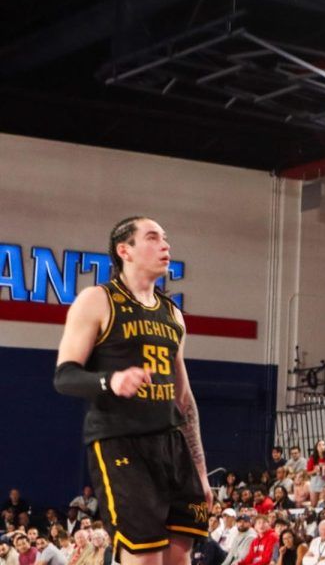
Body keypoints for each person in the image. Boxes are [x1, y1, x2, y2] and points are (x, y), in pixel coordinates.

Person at [52, 217, 211, 561]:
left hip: (172, 445)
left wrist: (200, 470)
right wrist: (111, 381)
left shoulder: (173, 314)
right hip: (121, 442)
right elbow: (64, 376)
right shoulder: (97, 299)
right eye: (153, 238)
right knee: (144, 556)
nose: (165, 245)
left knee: (180, 554)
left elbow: (183, 398)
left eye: (166, 238)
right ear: (124, 250)